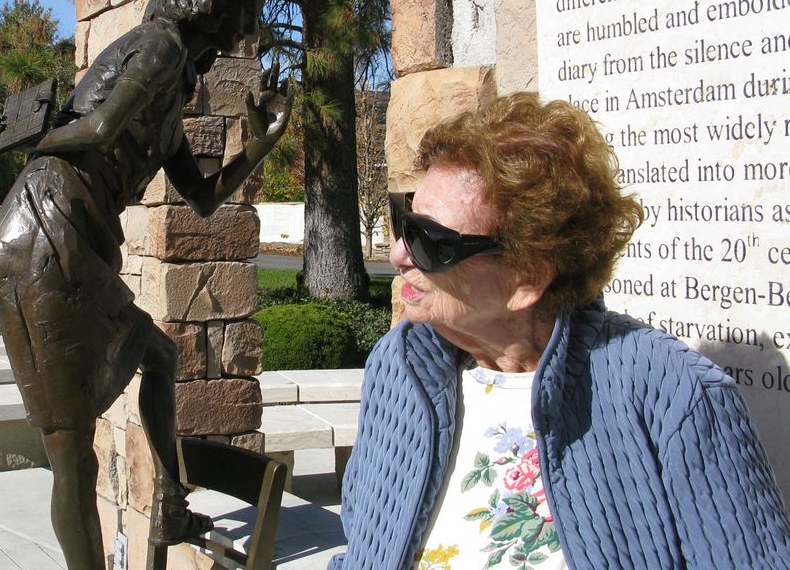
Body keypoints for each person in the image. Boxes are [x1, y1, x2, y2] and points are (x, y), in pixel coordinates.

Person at [332, 92, 790, 570]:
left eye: (431, 241)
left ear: (527, 277)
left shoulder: (673, 394)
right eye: (405, 221)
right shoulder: (400, 364)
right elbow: (364, 547)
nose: (399, 256)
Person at [0, 0, 288, 569]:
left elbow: (203, 197)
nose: (242, 35)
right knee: (71, 447)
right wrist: (28, 138)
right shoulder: (160, 46)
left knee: (160, 355)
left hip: (71, 233)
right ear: (210, 4)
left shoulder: (170, 89)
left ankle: (171, 500)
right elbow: (97, 131)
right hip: (48, 229)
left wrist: (257, 145)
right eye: (241, 17)